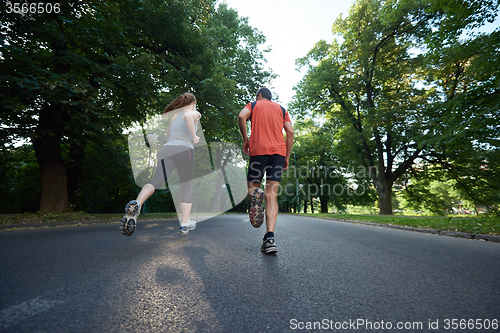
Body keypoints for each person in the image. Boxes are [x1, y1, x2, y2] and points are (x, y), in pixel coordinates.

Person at [121, 92, 201, 236]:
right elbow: (189, 116)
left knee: (157, 180)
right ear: (193, 103)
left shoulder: (174, 117)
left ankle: (137, 203)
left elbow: (167, 136)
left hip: (167, 149)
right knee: (186, 185)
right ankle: (184, 223)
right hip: (184, 150)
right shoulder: (194, 113)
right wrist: (194, 137)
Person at [238, 87, 294, 254]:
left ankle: (256, 194)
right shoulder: (282, 109)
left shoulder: (254, 105)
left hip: (258, 152)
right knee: (272, 195)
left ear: (259, 95)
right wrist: (287, 156)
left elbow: (242, 116)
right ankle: (270, 239)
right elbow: (290, 132)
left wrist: (245, 140)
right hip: (278, 154)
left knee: (252, 188)